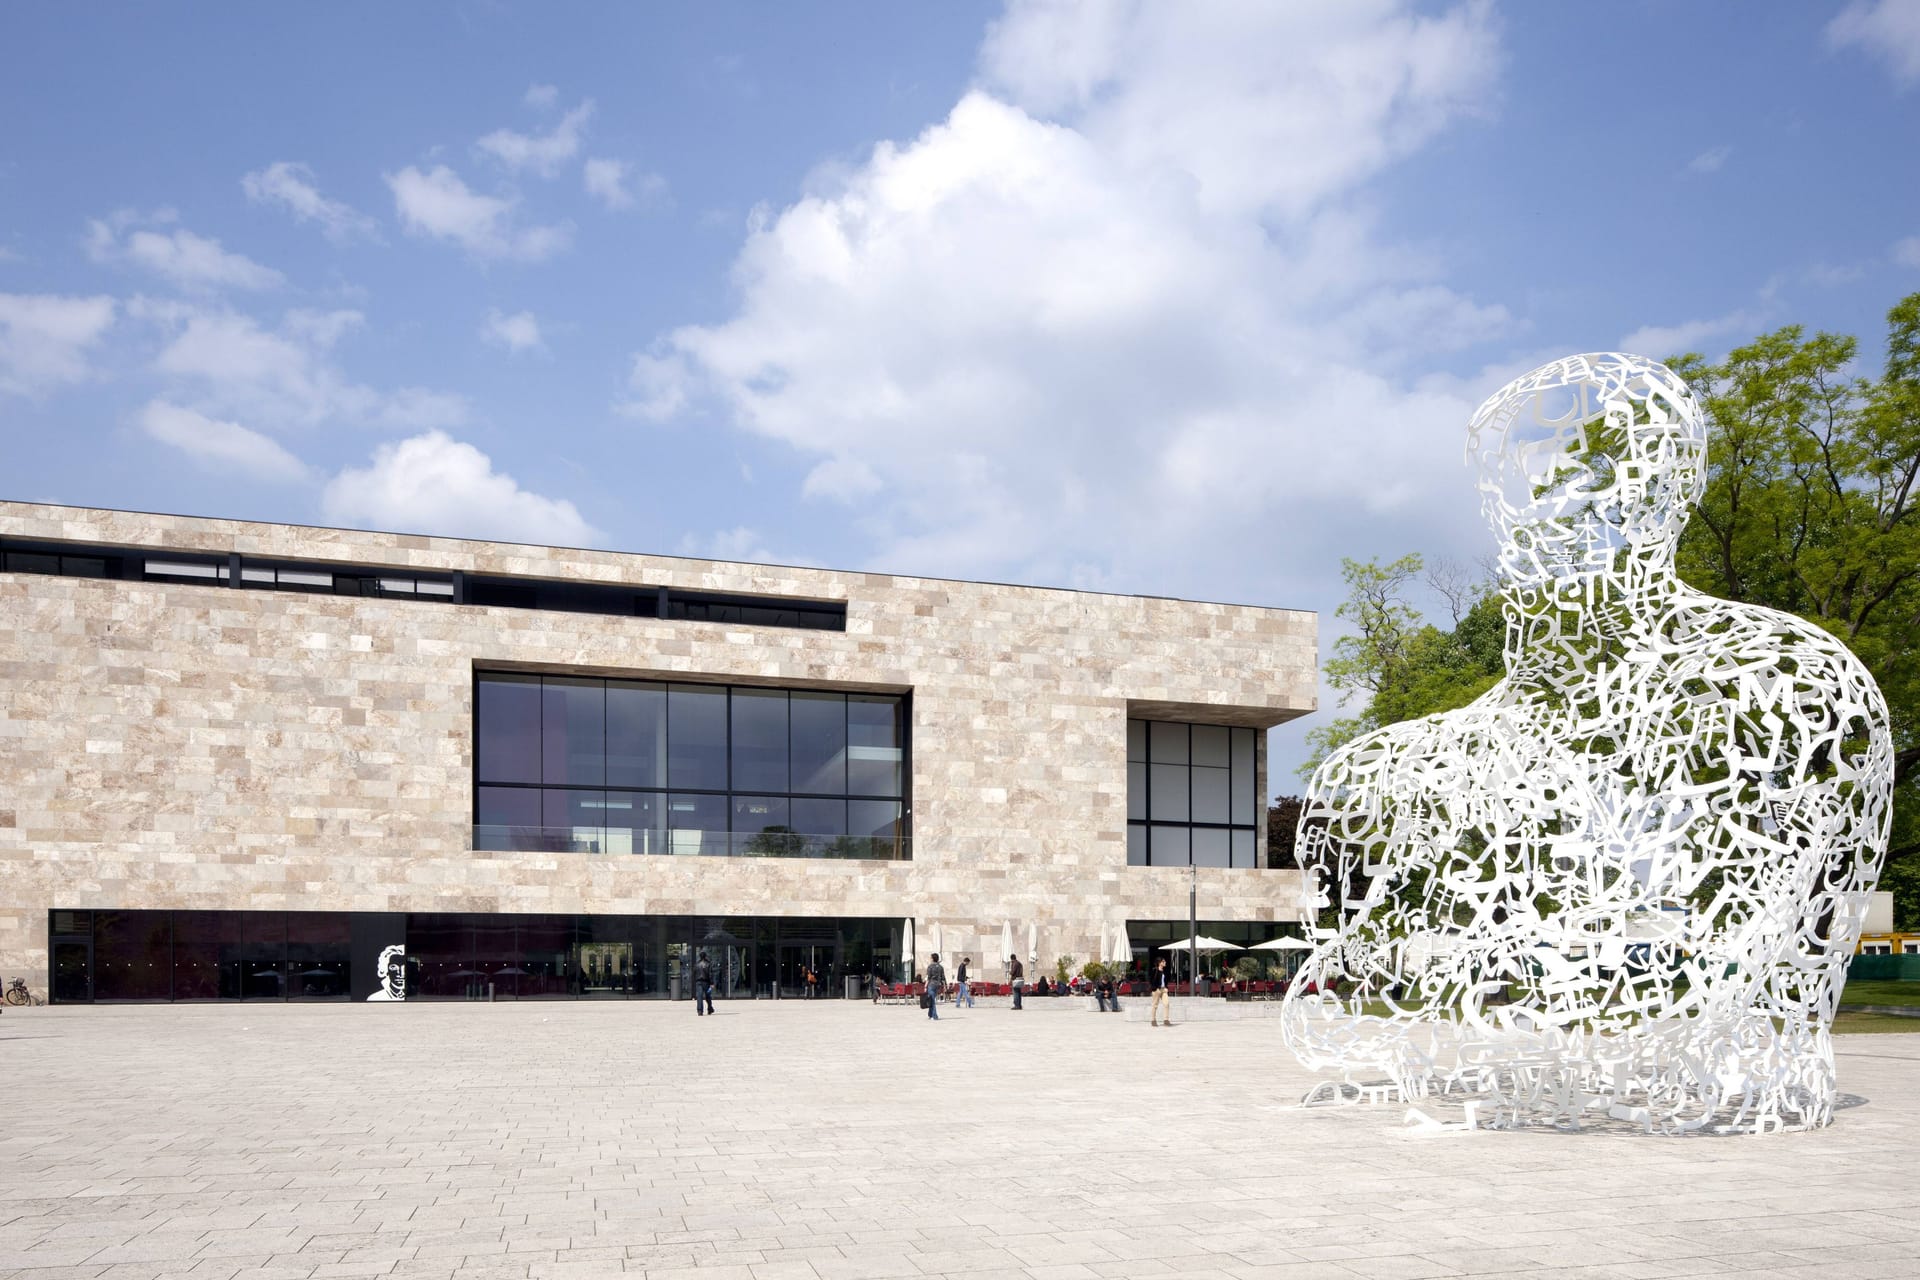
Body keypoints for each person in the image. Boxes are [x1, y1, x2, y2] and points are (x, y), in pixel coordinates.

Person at [1149, 956, 1171, 1026]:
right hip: (1157, 990)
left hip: (1163, 989)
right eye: (1163, 962)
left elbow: (1166, 981)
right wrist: (1155, 989)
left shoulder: (1165, 971)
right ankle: (1153, 1020)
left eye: (1164, 961)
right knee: (1155, 1005)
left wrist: (1166, 988)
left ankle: (1166, 1020)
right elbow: (1151, 980)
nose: (1165, 962)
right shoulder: (1155, 970)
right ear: (1159, 963)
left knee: (1166, 1003)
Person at [924, 952, 945, 1021]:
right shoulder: (941, 967)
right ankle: (930, 1014)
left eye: (930, 958)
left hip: (931, 984)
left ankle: (934, 1015)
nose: (930, 959)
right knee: (932, 999)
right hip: (938, 985)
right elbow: (943, 977)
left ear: (933, 959)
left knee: (932, 1000)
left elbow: (928, 977)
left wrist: (925, 986)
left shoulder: (930, 966)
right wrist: (944, 985)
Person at [694, 952, 715, 1016]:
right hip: (706, 982)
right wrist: (712, 983)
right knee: (708, 996)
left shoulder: (697, 964)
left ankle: (700, 1011)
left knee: (699, 996)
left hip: (698, 982)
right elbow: (710, 974)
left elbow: (694, 973)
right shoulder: (708, 964)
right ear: (705, 956)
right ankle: (709, 1009)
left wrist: (695, 980)